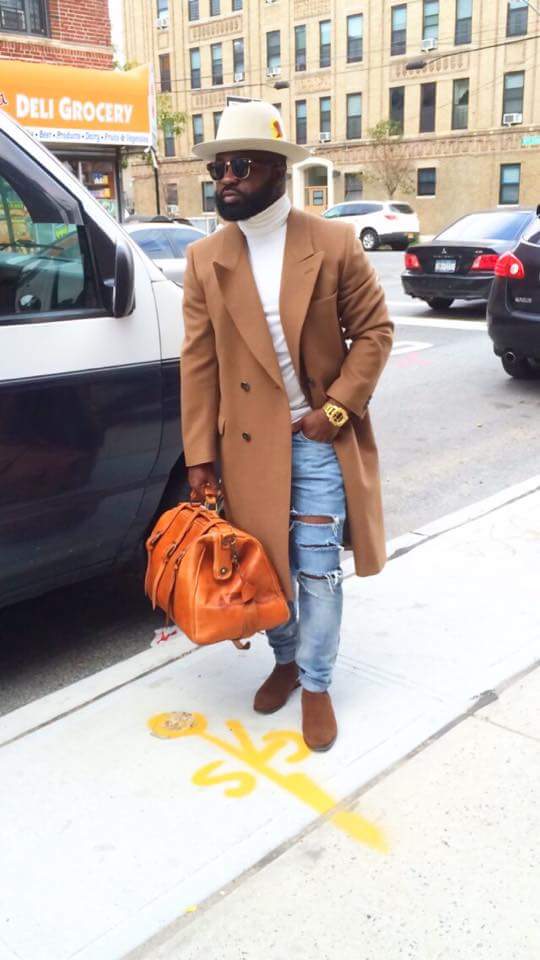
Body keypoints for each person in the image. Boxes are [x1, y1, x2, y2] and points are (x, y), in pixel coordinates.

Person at [181, 101, 393, 752]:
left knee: (318, 570)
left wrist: (335, 412)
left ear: (277, 169)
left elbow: (375, 333)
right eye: (218, 168)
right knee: (265, 567)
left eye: (240, 166)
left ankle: (318, 681)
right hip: (247, 448)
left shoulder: (332, 244)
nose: (226, 180)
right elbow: (199, 362)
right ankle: (285, 659)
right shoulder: (204, 258)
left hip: (317, 439)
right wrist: (199, 456)